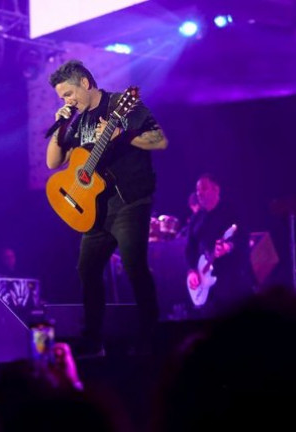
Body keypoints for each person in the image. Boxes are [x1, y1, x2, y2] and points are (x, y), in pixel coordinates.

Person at [46, 59, 168, 355]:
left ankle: (152, 337)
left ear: (85, 83)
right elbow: (53, 162)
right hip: (95, 208)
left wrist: (123, 134)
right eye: (63, 98)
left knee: (134, 266)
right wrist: (61, 125)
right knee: (87, 270)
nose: (67, 101)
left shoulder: (122, 104)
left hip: (128, 200)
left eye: (69, 94)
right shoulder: (79, 120)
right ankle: (92, 340)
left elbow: (160, 140)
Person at [185, 173, 254, 318]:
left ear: (216, 190)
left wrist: (228, 247)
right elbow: (190, 249)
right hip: (207, 287)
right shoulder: (196, 219)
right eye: (197, 190)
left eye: (203, 188)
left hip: (231, 280)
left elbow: (243, 237)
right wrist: (192, 271)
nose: (199, 193)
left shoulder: (232, 211)